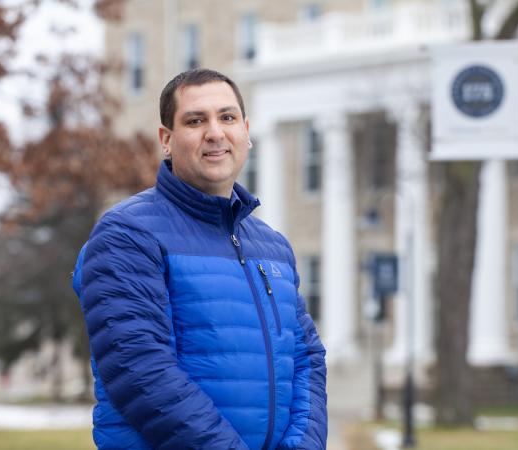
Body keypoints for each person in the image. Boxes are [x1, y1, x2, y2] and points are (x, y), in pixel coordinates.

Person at [72, 69, 328, 450]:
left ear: (246, 131)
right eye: (195, 121)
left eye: (226, 118)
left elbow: (306, 359)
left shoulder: (272, 246)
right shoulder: (127, 235)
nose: (215, 133)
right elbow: (141, 371)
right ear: (166, 140)